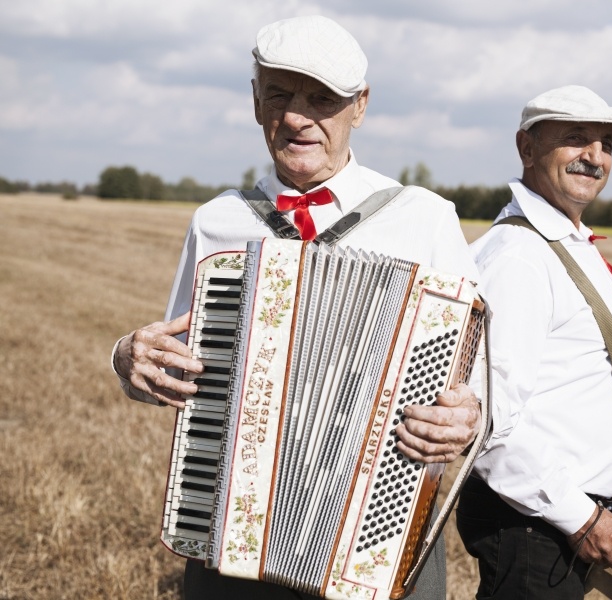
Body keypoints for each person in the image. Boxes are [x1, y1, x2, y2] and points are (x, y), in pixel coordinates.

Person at [110, 15, 481, 600]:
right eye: (279, 94)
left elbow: (480, 385)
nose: (297, 118)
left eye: (322, 99)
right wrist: (129, 358)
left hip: (377, 540)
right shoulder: (218, 221)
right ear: (255, 102)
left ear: (360, 106)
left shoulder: (424, 217)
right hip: (232, 539)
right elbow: (173, 364)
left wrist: (467, 417)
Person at [456, 85, 612, 599]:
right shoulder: (518, 259)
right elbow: (486, 422)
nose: (594, 157)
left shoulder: (560, 240)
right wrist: (580, 517)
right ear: (526, 148)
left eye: (606, 145)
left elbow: (549, 345)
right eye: (576, 139)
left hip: (546, 520)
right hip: (535, 525)